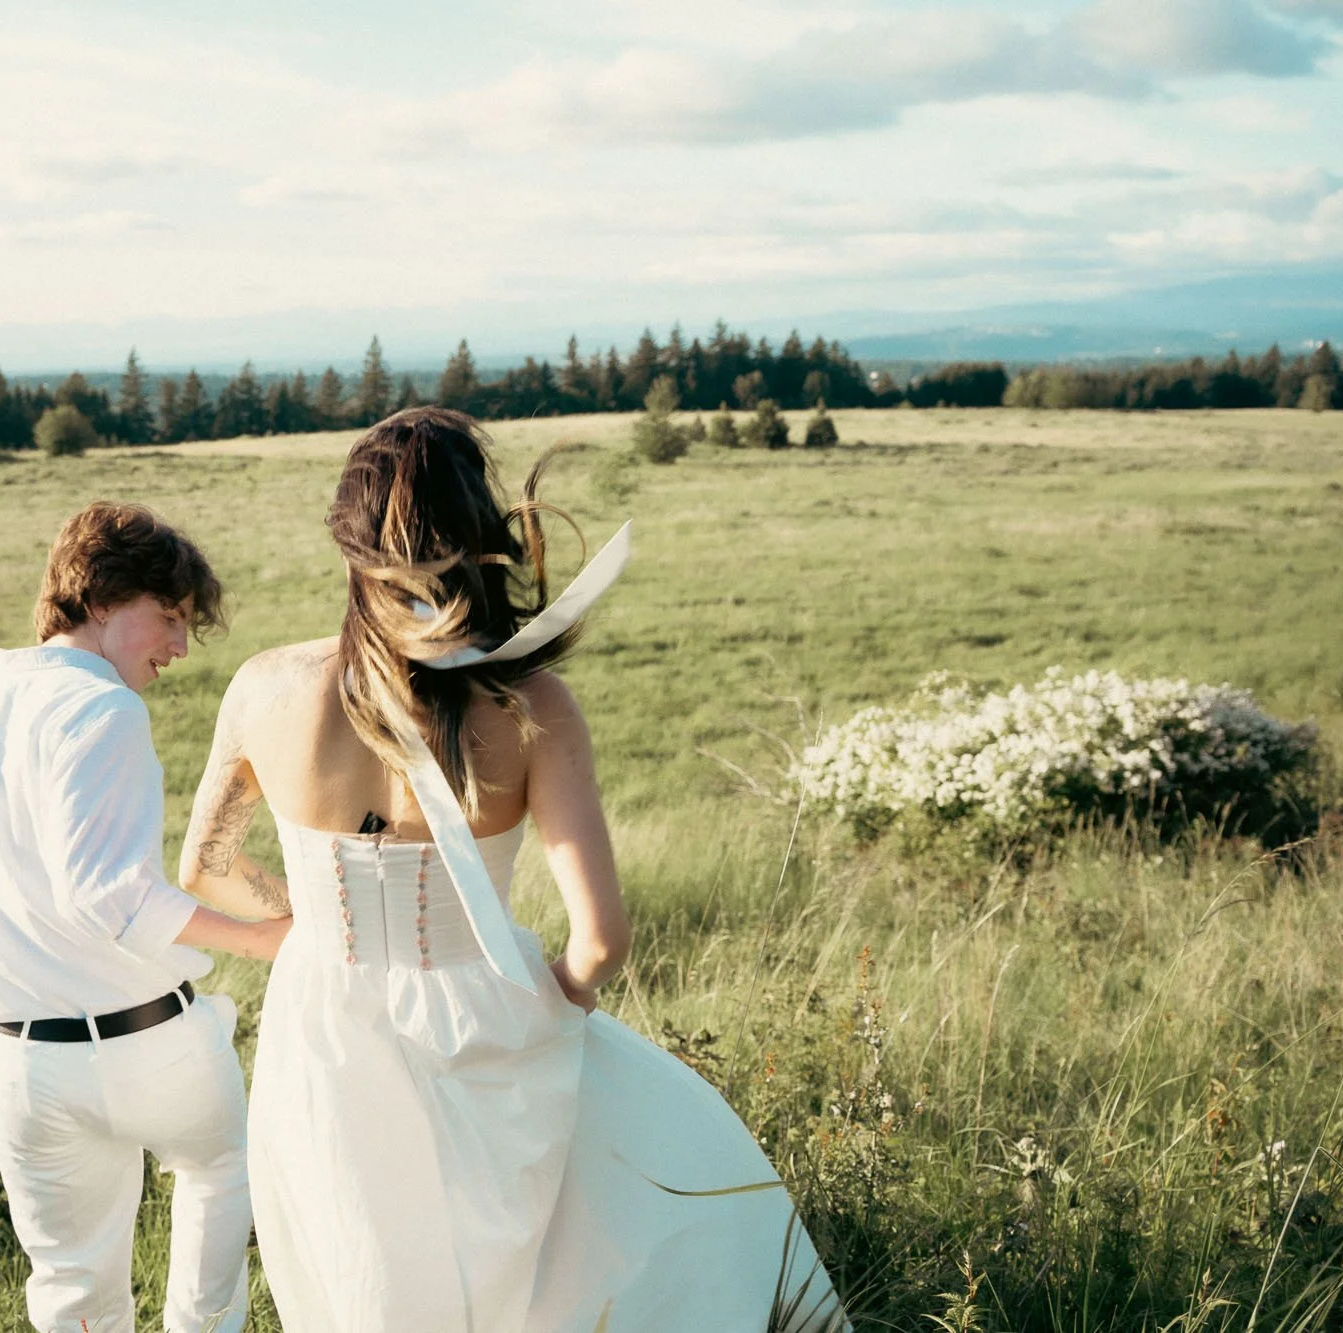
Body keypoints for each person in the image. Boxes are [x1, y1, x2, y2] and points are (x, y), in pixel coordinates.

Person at [179, 408, 847, 1332]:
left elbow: (206, 863)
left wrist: (318, 935)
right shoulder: (532, 704)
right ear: (482, 537)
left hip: (320, 1020)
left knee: (363, 1278)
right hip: (483, 1012)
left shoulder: (264, 687)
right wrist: (551, 1004)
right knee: (545, 1270)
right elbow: (602, 941)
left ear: (348, 541)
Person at [0, 501, 290, 1333]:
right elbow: (109, 895)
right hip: (147, 1045)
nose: (179, 647)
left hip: (17, 1066)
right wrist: (264, 937)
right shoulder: (103, 710)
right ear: (102, 599)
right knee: (221, 1168)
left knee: (72, 1292)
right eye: (171, 617)